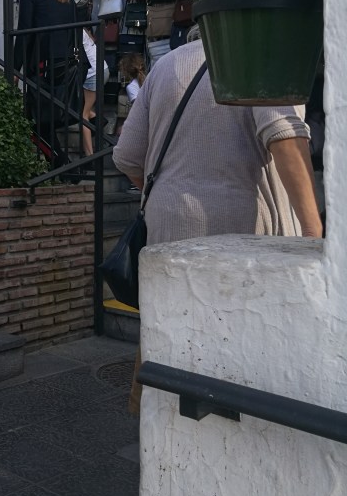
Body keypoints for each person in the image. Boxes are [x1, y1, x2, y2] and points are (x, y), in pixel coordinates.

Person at [113, 30, 323, 412]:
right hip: (240, 232)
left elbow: (126, 156)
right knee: (239, 363)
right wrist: (313, 232)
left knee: (169, 345)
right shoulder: (257, 49)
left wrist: (171, 190)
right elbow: (284, 134)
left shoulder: (166, 65)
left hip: (166, 227)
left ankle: (163, 431)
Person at [14, 0, 78, 167]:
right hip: (63, 67)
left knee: (33, 120)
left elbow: (25, 33)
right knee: (44, 120)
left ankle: (62, 165)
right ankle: (63, 166)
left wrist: (15, 68)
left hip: (42, 66)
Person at [81, 25, 111, 156]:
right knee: (84, 109)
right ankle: (99, 120)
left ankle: (89, 156)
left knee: (82, 115)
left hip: (93, 73)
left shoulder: (74, 31)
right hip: (101, 68)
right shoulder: (83, 30)